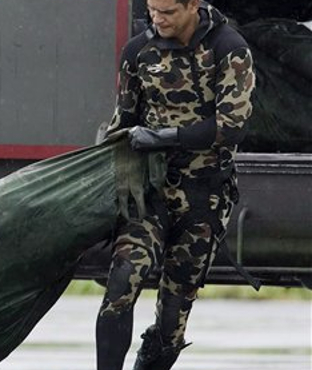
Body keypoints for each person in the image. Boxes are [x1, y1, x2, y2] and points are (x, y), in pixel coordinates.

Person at [96, 1, 254, 369]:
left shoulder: (228, 48)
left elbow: (232, 126)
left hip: (204, 193)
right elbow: (124, 121)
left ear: (192, 6)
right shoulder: (138, 51)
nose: (157, 18)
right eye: (152, 9)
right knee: (121, 284)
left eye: (167, 11)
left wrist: (165, 136)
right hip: (149, 191)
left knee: (172, 315)